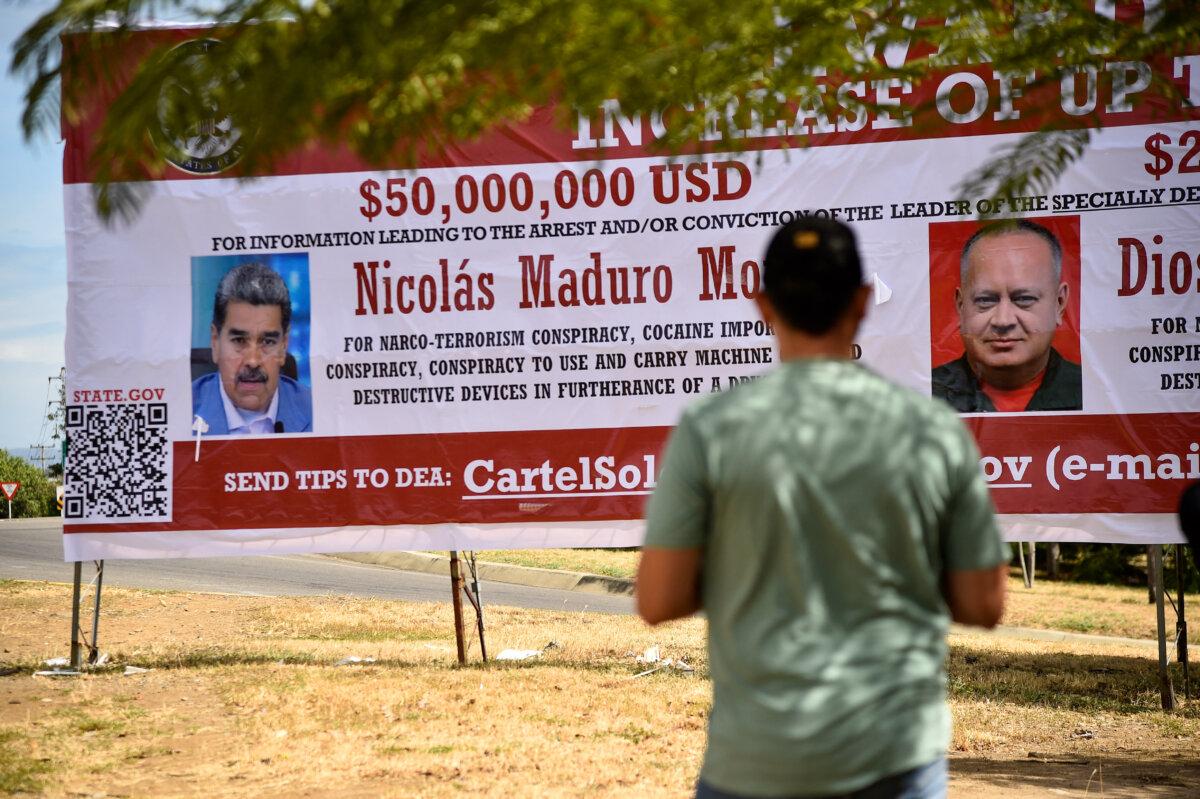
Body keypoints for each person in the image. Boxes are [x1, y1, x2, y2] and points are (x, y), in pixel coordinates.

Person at [637, 218, 1008, 799]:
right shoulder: (933, 431)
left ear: (763, 306)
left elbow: (658, 599)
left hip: (754, 762)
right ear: (862, 302)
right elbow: (984, 602)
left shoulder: (711, 429)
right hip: (895, 758)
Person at [932, 219, 1082, 412]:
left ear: (1059, 304)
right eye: (985, 300)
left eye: (1024, 299)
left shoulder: (1099, 392)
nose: (1003, 321)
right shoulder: (920, 397)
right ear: (961, 306)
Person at [192, 262, 312, 435]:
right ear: (215, 341)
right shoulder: (179, 413)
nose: (253, 361)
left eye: (268, 341)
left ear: (284, 345)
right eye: (239, 340)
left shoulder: (317, 412)